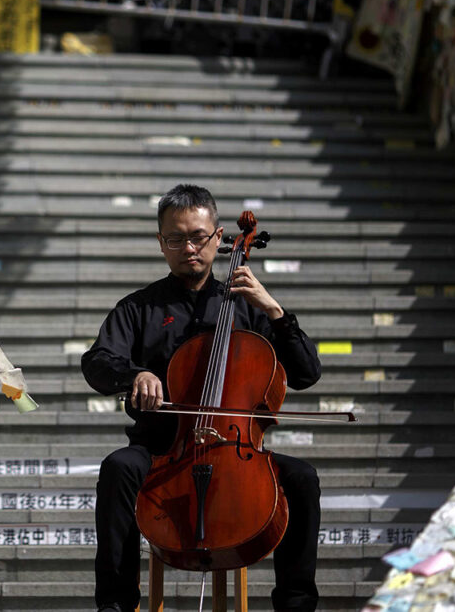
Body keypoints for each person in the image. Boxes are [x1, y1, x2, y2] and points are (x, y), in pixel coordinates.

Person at [82, 184, 323, 612]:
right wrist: (135, 373)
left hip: (237, 449)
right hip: (160, 453)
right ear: (161, 244)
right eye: (176, 239)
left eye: (198, 236)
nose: (188, 247)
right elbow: (97, 363)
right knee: (118, 467)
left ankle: (297, 604)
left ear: (218, 237)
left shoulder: (248, 308)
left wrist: (274, 310)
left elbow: (306, 373)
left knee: (302, 478)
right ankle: (115, 605)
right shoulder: (139, 308)